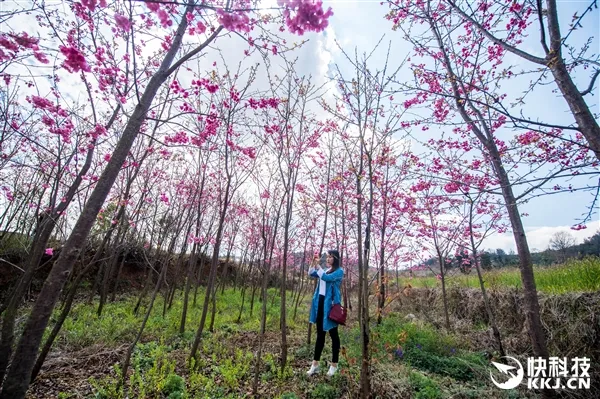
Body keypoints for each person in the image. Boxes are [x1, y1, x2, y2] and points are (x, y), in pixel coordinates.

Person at [306, 249, 344, 377]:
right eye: (327, 257)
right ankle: (315, 364)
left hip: (331, 306)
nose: (328, 259)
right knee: (320, 335)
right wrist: (313, 262)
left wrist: (318, 266)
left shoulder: (339, 271)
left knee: (334, 335)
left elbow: (326, 278)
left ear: (336, 259)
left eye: (331, 257)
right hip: (320, 303)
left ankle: (334, 364)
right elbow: (311, 273)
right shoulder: (326, 270)